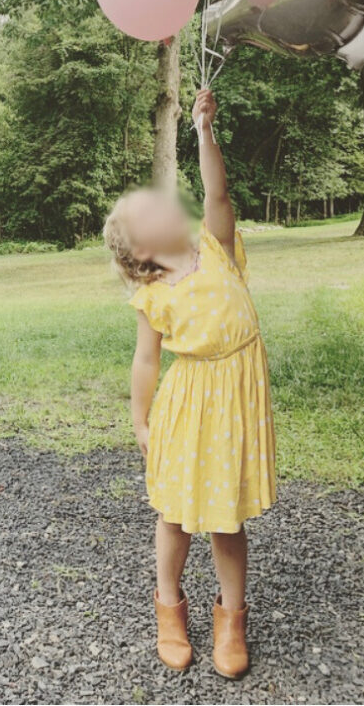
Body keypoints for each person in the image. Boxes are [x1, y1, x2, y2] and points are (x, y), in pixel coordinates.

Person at [102, 88, 277, 679]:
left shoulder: (216, 247)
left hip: (234, 401)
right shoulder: (152, 296)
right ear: (141, 249)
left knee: (228, 517)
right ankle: (169, 610)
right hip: (187, 405)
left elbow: (217, 192)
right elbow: (146, 363)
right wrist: (140, 421)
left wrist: (203, 130)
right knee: (175, 514)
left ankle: (232, 618)